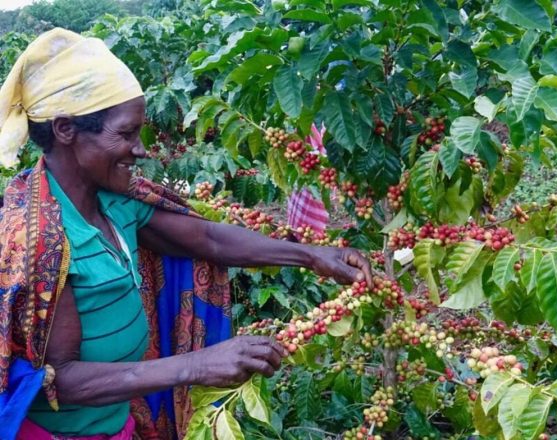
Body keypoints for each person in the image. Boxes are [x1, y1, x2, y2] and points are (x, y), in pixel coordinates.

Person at [0, 28, 373, 440]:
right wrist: (196, 365)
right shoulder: (37, 239)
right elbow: (60, 380)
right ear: (66, 130)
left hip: (118, 425)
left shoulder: (115, 200)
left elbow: (208, 239)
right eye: (125, 134)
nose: (140, 148)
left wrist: (313, 255)